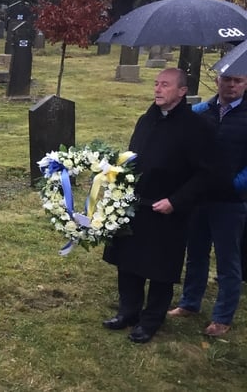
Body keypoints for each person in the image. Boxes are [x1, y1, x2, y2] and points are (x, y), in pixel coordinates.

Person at [102, 68, 218, 343]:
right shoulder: (147, 119)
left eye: (165, 85)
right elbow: (133, 156)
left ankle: (151, 320)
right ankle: (128, 311)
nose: (157, 89)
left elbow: (205, 174)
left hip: (168, 208)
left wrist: (176, 201)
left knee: (159, 267)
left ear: (182, 91)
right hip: (136, 202)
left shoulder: (196, 127)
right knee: (128, 261)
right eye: (156, 84)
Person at [167, 74, 247, 337]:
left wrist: (233, 185)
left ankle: (222, 317)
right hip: (199, 198)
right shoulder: (201, 112)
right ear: (217, 81)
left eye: (238, 81)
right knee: (196, 253)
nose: (232, 85)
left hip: (230, 200)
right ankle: (190, 303)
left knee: (227, 260)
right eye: (227, 80)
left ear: (246, 84)